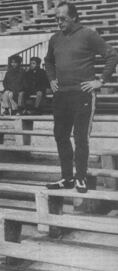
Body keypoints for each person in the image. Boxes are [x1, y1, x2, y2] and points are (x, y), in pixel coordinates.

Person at [44, 1, 118, 193]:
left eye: (62, 18)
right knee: (60, 135)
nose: (59, 22)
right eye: (56, 19)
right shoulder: (55, 38)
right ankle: (67, 177)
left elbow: (112, 55)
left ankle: (81, 178)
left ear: (74, 17)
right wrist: (52, 79)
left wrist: (100, 80)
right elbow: (48, 61)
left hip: (82, 94)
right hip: (61, 95)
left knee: (80, 137)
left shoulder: (88, 34)